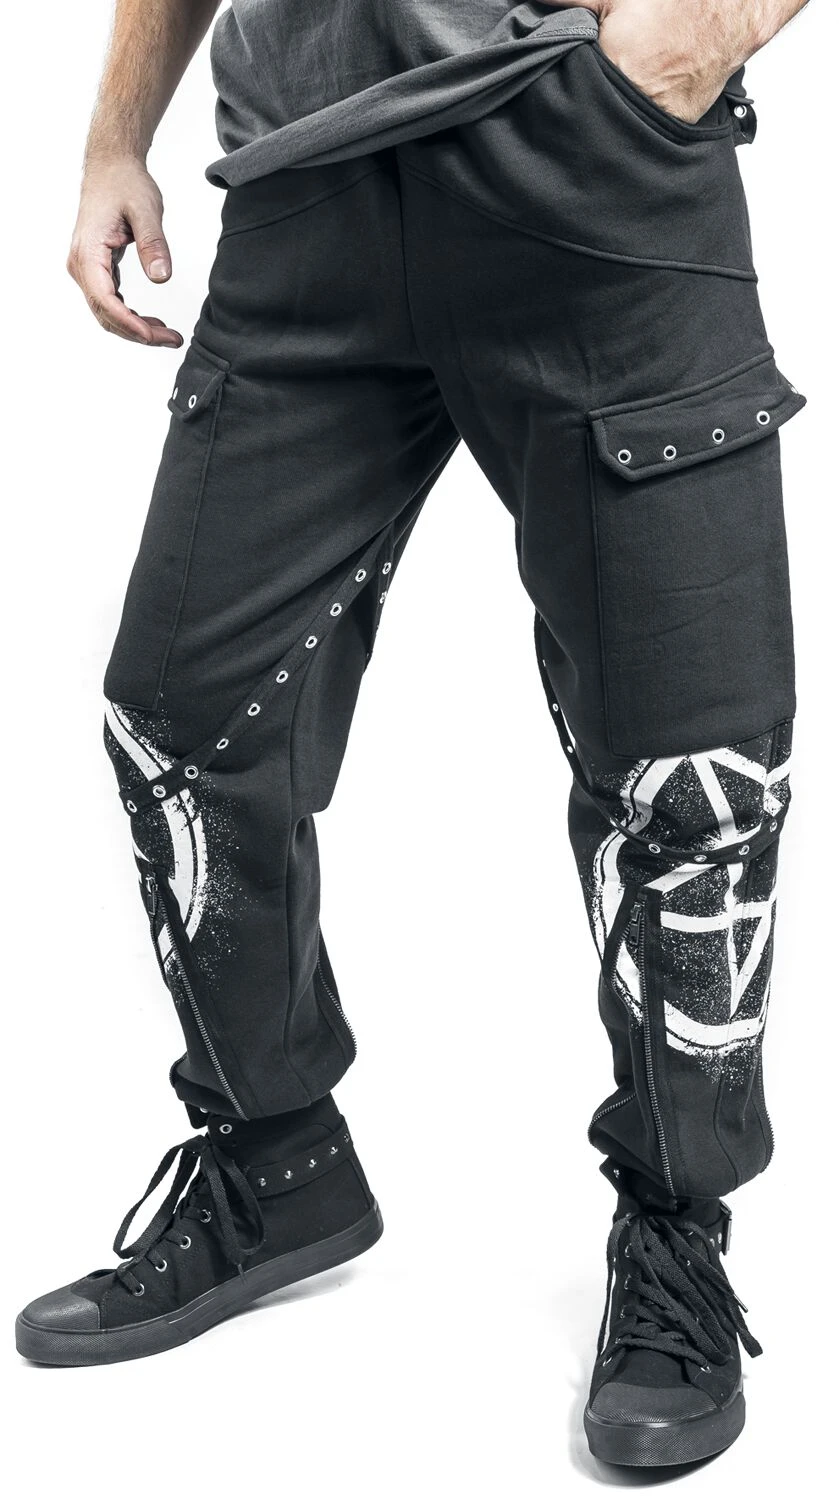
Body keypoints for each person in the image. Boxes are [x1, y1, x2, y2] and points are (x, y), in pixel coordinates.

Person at [15, 0, 808, 1469]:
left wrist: (688, 40)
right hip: (301, 186)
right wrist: (115, 136)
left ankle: (675, 1224)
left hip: (588, 166)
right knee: (183, 723)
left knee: (690, 768)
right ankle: (277, 1167)